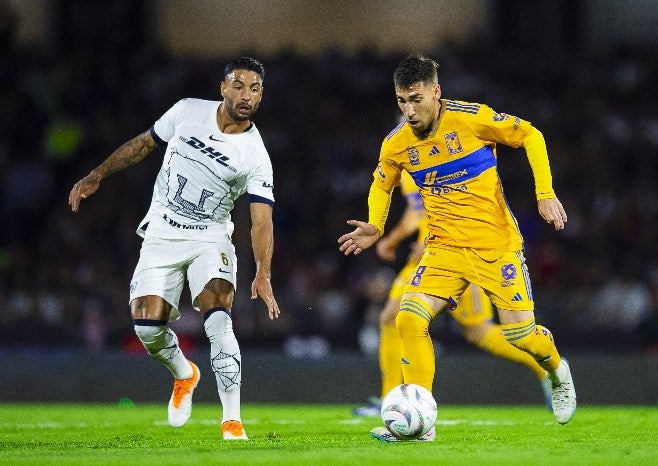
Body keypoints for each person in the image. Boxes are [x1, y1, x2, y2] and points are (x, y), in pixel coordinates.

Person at [338, 54, 576, 442]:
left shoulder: (471, 119)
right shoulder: (397, 143)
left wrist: (545, 194)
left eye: (416, 99)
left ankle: (556, 370)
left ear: (436, 92)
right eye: (402, 101)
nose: (409, 110)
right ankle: (420, 423)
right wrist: (376, 225)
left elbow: (530, 134)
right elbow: (382, 183)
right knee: (408, 319)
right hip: (443, 248)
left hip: (494, 246)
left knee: (519, 335)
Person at [68, 57, 280, 440]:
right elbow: (142, 145)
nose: (245, 95)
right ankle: (185, 373)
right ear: (223, 87)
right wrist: (97, 174)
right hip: (162, 235)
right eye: (238, 85)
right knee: (147, 327)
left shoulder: (255, 154)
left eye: (254, 89)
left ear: (261, 95)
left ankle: (231, 420)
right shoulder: (187, 111)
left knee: (218, 315)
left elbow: (262, 219)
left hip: (210, 237)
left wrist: (263, 272)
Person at [352, 170, 552, 417]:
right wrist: (395, 237)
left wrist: (428, 240)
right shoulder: (404, 160)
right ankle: (389, 399)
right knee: (390, 318)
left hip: (456, 252)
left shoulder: (442, 157)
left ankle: (546, 368)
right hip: (425, 257)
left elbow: (458, 205)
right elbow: (417, 211)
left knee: (480, 332)